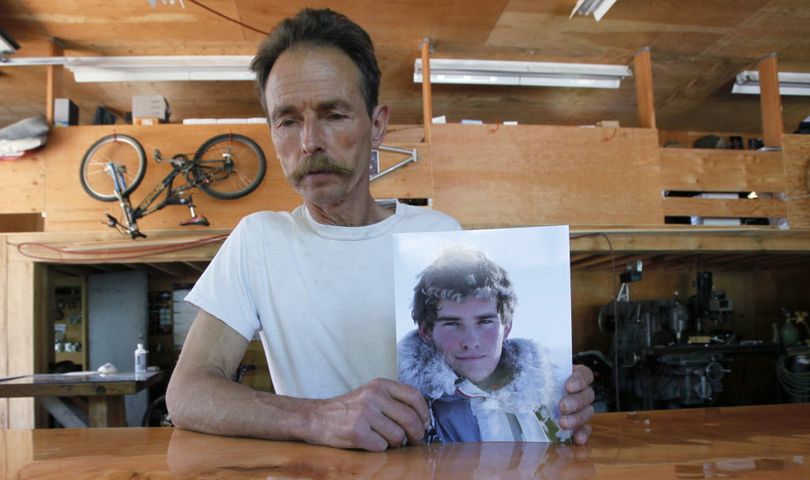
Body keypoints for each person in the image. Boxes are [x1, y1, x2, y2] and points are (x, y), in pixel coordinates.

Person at [165, 8, 595, 452]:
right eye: (288, 120)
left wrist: (556, 397)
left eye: (334, 114)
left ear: (376, 125)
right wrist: (318, 417)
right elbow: (187, 393)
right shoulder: (258, 241)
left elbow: (481, 372)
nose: (309, 141)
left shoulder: (438, 234)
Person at [399, 246, 564, 443]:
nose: (471, 342)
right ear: (425, 331)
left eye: (484, 322)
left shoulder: (549, 394)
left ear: (507, 327)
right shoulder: (403, 407)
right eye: (452, 324)